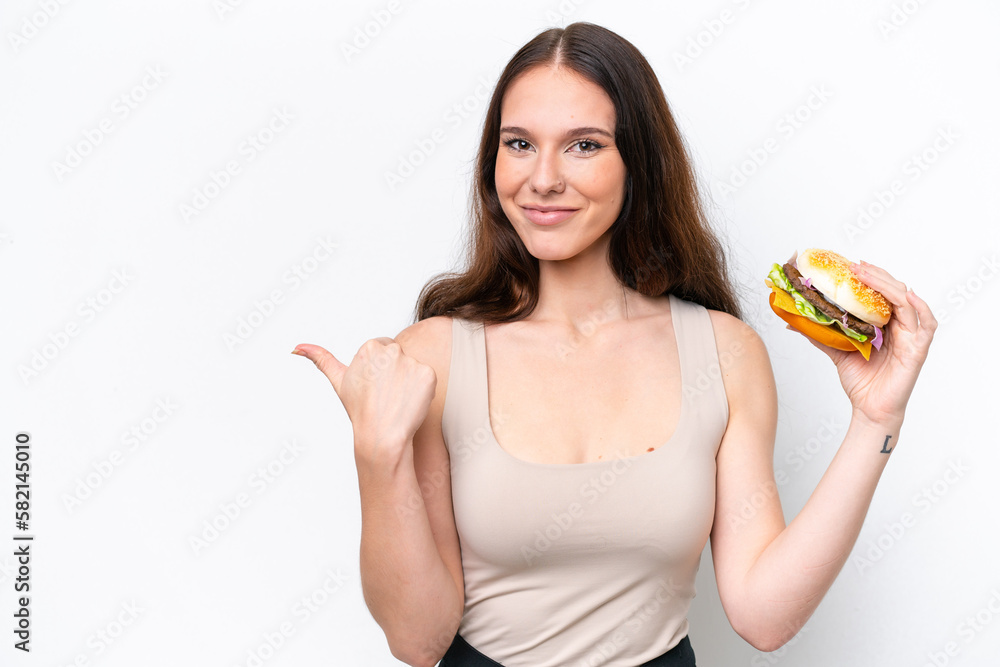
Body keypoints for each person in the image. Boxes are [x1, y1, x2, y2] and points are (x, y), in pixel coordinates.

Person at [291, 21, 936, 667]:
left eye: (583, 146)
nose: (542, 178)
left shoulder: (724, 352)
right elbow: (418, 638)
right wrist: (378, 452)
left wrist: (875, 421)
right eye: (519, 143)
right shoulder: (431, 355)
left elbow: (763, 615)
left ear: (639, 164)